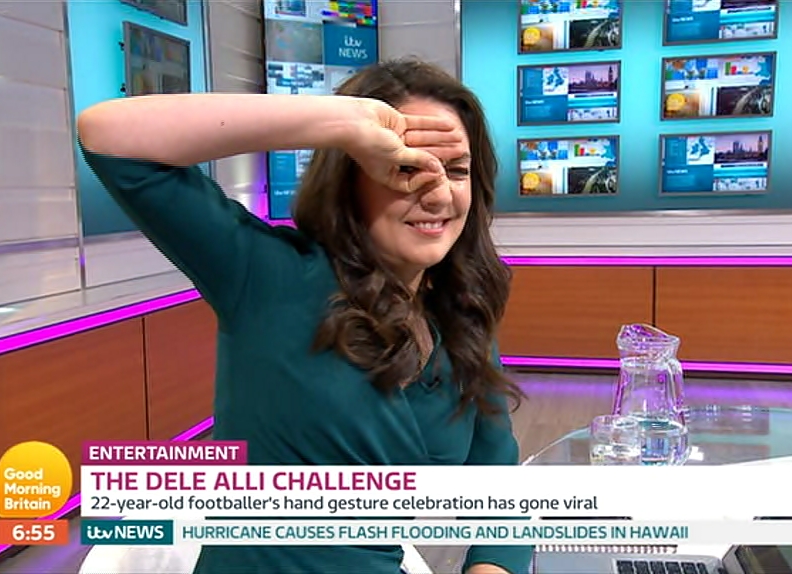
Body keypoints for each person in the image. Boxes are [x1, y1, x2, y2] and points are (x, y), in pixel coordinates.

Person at [77, 59, 532, 574]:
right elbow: (107, 135)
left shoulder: (461, 320)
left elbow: (500, 482)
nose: (440, 193)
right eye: (408, 168)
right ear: (350, 175)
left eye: (457, 171)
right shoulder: (269, 275)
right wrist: (342, 121)